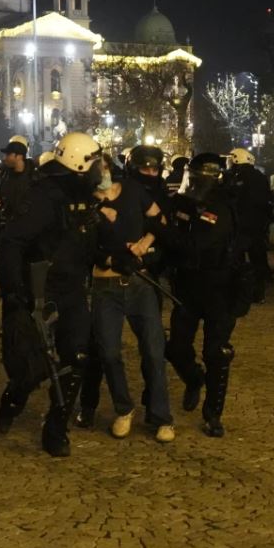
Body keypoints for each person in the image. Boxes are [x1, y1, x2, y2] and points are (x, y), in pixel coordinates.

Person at [0, 132, 103, 457]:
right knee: (32, 365)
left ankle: (56, 428)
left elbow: (89, 241)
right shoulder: (45, 196)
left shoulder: (87, 197)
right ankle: (13, 400)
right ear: (78, 164)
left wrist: (115, 256)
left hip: (72, 289)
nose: (100, 169)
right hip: (40, 290)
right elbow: (12, 242)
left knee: (77, 357)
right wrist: (14, 291)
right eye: (95, 163)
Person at [77, 148, 174, 442]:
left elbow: (160, 220)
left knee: (154, 352)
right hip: (105, 287)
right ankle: (124, 408)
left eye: (105, 167)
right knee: (108, 352)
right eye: (97, 171)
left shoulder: (133, 190)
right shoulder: (85, 205)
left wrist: (144, 244)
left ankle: (162, 417)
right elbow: (84, 250)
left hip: (140, 285)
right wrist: (111, 259)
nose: (103, 174)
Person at [161, 152, 242, 438]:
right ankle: (194, 378)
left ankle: (213, 415)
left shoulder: (220, 207)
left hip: (219, 287)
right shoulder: (183, 202)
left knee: (216, 352)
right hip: (188, 285)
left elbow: (195, 244)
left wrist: (162, 232)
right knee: (176, 348)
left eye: (196, 179)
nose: (191, 184)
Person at [224, 148, 273, 303]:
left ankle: (238, 293)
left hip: (239, 226)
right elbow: (266, 200)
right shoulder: (260, 177)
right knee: (258, 260)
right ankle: (258, 293)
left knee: (236, 261)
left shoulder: (233, 177)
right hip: (257, 226)